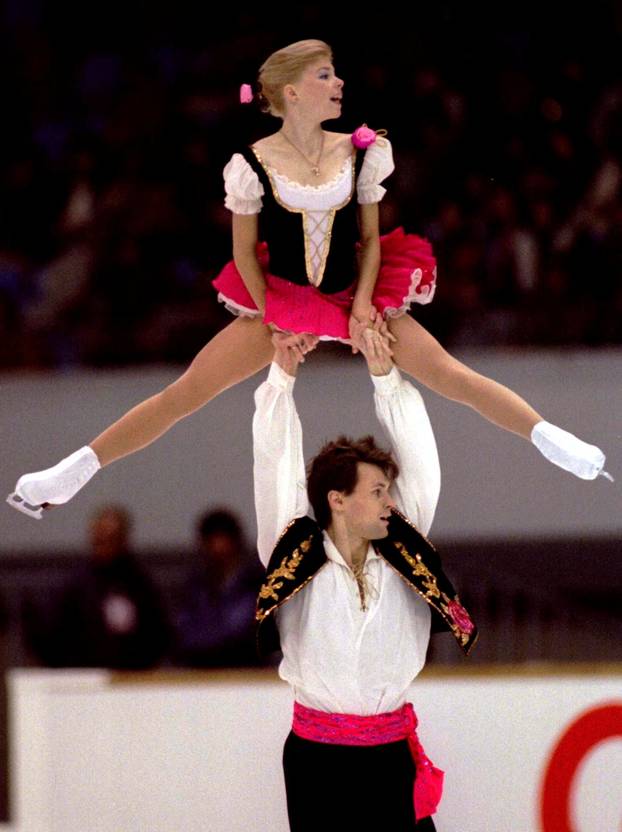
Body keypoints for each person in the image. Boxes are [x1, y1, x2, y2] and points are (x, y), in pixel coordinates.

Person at [7, 39, 608, 520]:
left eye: (336, 72)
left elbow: (371, 239)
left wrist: (364, 306)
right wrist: (274, 316)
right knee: (184, 394)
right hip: (283, 297)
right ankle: (72, 472)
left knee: (452, 375)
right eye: (325, 75)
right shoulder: (250, 164)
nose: (339, 82)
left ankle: (552, 440)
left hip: (356, 292)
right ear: (291, 92)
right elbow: (244, 254)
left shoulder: (363, 150)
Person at [254, 322, 475, 831]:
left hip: (389, 757)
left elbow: (423, 466)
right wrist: (281, 380)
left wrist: (386, 378)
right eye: (377, 492)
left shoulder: (404, 553)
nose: (389, 502)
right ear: (337, 500)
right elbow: (274, 465)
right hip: (317, 763)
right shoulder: (292, 555)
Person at [22, 505, 170, 669]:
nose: (105, 545)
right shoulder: (75, 584)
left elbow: (157, 631)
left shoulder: (140, 583)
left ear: (123, 539)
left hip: (132, 673)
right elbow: (56, 634)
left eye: (111, 538)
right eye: (100, 538)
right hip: (86, 673)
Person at [174, 507, 264, 668]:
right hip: (199, 668)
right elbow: (184, 629)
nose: (218, 550)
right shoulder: (195, 586)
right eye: (211, 543)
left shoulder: (256, 584)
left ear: (236, 544)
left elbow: (243, 630)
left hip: (247, 668)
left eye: (223, 542)